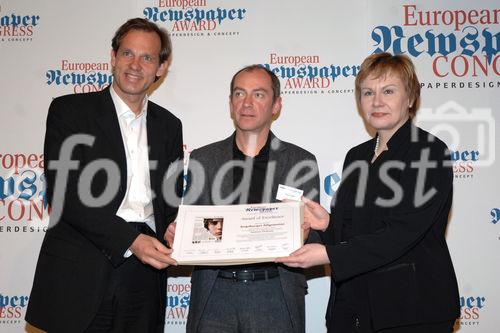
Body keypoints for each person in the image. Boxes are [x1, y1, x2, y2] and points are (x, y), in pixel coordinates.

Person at [277, 53, 460, 333]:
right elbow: (354, 230)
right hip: (354, 308)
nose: (377, 101)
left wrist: (328, 255)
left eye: (388, 91)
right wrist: (327, 223)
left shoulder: (429, 152)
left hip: (411, 310)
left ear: (410, 98)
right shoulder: (357, 156)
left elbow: (401, 233)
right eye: (368, 92)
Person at [26, 18, 183, 333]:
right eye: (127, 54)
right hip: (81, 268)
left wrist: (174, 228)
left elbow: (170, 199)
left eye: (147, 57)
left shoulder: (169, 126)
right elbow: (64, 193)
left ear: (161, 68)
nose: (135, 65)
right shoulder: (69, 111)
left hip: (146, 276)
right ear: (113, 58)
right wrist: (131, 240)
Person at [168, 64, 320, 333]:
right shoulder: (203, 160)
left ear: (276, 105)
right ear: (230, 103)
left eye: (259, 95)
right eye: (239, 94)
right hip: (215, 295)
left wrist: (305, 233)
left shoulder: (301, 162)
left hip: (276, 295)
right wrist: (178, 236)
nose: (247, 103)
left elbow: (318, 237)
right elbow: (194, 226)